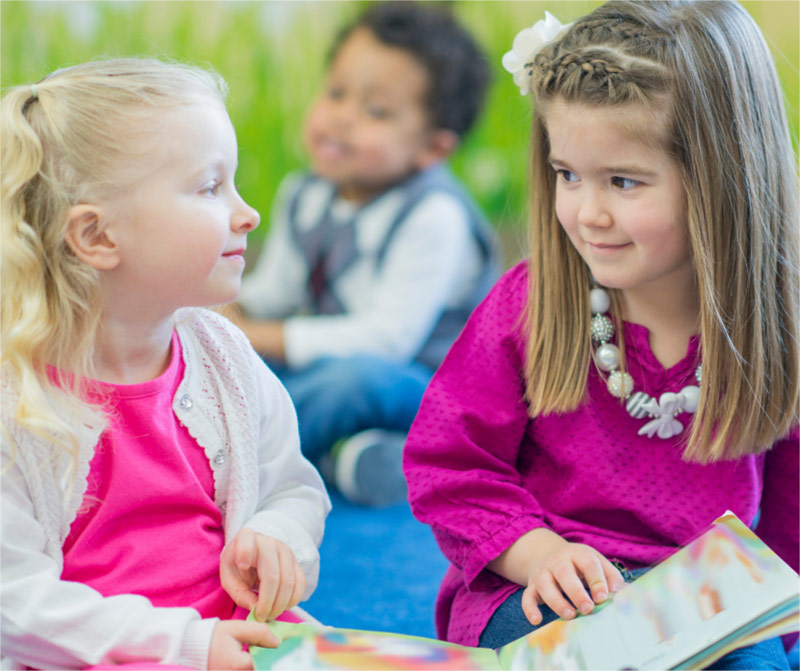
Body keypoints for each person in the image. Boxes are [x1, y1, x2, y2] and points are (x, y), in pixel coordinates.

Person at [403, 1, 799, 669]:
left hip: (708, 608)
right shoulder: (529, 306)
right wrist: (539, 555)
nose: (587, 213)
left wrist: (772, 635)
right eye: (567, 176)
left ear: (724, 175)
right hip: (539, 588)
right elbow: (451, 465)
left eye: (623, 181)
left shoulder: (779, 327)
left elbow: (790, 521)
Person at [0, 58, 331, 670]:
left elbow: (293, 487)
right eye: (210, 188)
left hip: (242, 641)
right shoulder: (18, 402)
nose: (246, 213)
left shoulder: (224, 357)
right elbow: (14, 605)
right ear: (97, 236)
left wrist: (279, 537)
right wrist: (187, 646)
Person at [231, 1, 497, 508]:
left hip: (424, 387)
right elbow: (278, 293)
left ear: (432, 149)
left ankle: (242, 460)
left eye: (375, 111)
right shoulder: (305, 192)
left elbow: (385, 341)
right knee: (248, 363)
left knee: (353, 379)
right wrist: (224, 313)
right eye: (336, 93)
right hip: (340, 370)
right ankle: (357, 458)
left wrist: (254, 336)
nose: (342, 119)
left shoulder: (435, 214)